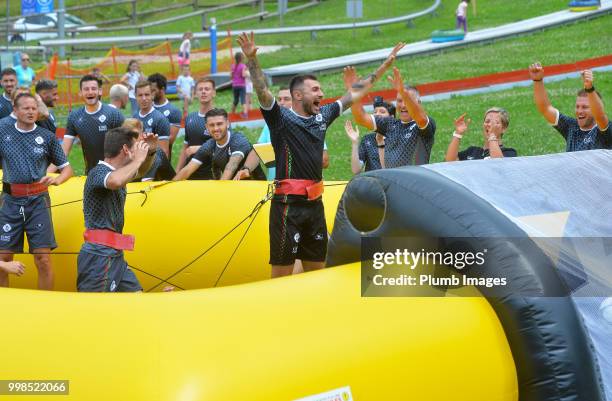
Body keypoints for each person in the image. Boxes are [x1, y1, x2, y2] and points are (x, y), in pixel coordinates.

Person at [238, 31, 404, 277]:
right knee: (281, 278)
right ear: (298, 95)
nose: (321, 94)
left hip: (315, 206)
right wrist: (252, 60)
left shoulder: (321, 117)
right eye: (315, 90)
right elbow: (262, 91)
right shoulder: (280, 119)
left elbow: (354, 94)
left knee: (318, 274)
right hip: (287, 207)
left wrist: (384, 65)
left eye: (321, 90)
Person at [0, 93, 73, 290]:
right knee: (3, 260)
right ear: (15, 111)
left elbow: (67, 169)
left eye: (34, 108)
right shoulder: (3, 132)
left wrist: (57, 180)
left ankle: (46, 307)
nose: (31, 112)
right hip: (9, 201)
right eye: (26, 108)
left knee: (43, 259)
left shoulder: (47, 137)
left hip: (38, 201)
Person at [77, 127, 157, 292]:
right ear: (126, 150)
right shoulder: (98, 172)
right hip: (98, 255)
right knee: (94, 308)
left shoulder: (120, 172)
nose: (138, 151)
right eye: (136, 147)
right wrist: (138, 159)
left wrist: (150, 152)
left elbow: (140, 170)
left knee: (136, 297)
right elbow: (114, 182)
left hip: (113, 253)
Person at [350, 67, 437, 169]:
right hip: (392, 182)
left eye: (407, 100)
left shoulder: (424, 124)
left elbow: (421, 119)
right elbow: (361, 118)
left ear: (418, 103)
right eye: (400, 100)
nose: (403, 105)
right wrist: (354, 94)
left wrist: (403, 93)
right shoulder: (390, 124)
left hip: (413, 183)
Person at [250, 87, 330, 181]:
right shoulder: (270, 124)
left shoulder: (310, 124)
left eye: (286, 99)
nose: (281, 103)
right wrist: (246, 169)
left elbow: (324, 161)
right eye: (279, 99)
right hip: (277, 188)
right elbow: (257, 151)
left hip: (304, 188)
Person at [529, 63, 611, 151]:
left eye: (585, 107)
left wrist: (589, 88)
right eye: (577, 106)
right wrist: (538, 81)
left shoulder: (604, 130)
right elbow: (545, 108)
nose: (579, 111)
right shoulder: (571, 127)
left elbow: (600, 115)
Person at [174, 108, 265, 181]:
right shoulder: (209, 145)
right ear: (206, 127)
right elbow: (188, 169)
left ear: (228, 124)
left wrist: (219, 189)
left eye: (219, 124)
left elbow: (231, 166)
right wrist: (171, 185)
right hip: (233, 189)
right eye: (212, 125)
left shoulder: (238, 140)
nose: (216, 128)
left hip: (255, 188)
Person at [62, 75, 125, 173]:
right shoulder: (74, 116)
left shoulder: (113, 114)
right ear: (80, 93)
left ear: (100, 91)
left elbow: (127, 145)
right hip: (91, 173)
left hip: (115, 172)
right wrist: (47, 174)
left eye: (93, 89)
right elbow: (64, 151)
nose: (90, 92)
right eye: (86, 89)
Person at [177, 77, 216, 179]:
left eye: (207, 89)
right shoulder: (190, 118)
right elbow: (185, 147)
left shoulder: (220, 119)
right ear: (195, 93)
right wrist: (177, 171)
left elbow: (225, 147)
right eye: (200, 89)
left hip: (211, 175)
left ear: (214, 93)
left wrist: (199, 148)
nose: (203, 92)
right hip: (189, 174)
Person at [445, 108, 517, 161]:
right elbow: (450, 162)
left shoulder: (509, 153)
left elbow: (498, 164)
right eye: (487, 121)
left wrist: (492, 135)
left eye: (495, 122)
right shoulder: (472, 151)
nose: (489, 125)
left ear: (503, 128)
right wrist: (458, 133)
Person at [345, 97, 395, 174]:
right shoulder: (367, 139)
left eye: (382, 112)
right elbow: (356, 170)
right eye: (375, 112)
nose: (377, 114)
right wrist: (355, 143)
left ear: (392, 117)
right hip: (372, 183)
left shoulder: (399, 137)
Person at [133, 80, 171, 158]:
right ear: (135, 96)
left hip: (153, 167)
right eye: (140, 95)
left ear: (152, 95)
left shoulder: (160, 119)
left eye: (147, 95)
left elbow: (164, 152)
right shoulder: (134, 118)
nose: (144, 98)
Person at [148, 73, 182, 158]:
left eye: (153, 90)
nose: (150, 93)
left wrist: (147, 145)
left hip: (162, 160)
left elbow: (170, 139)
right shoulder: (144, 109)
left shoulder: (173, 111)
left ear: (162, 89)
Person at [230, 52, 249, 118]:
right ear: (242, 58)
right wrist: (247, 75)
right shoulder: (243, 66)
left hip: (235, 85)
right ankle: (245, 114)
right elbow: (243, 75)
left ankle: (232, 113)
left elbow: (231, 76)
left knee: (235, 100)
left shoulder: (232, 66)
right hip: (241, 85)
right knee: (243, 100)